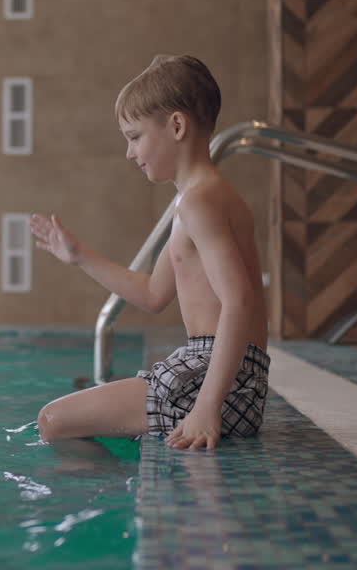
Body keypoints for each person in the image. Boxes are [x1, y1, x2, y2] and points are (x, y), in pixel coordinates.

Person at [31, 54, 269, 451]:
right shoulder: (197, 200)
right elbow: (153, 294)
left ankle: (106, 502)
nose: (129, 152)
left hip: (221, 381)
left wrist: (207, 407)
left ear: (176, 126)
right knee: (61, 420)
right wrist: (79, 256)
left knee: (53, 421)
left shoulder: (200, 204)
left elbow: (239, 301)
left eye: (135, 136)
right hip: (230, 377)